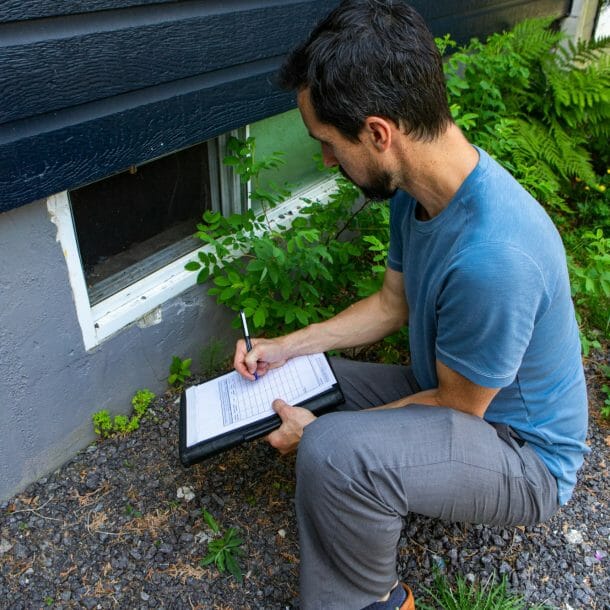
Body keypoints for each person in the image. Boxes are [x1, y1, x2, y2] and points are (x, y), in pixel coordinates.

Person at [233, 1, 589, 609]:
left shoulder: (494, 256)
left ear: (377, 133)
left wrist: (326, 434)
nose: (325, 160)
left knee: (332, 451)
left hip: (522, 456)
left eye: (327, 143)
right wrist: (282, 348)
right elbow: (390, 304)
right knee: (303, 377)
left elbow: (460, 407)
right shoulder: (415, 191)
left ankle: (372, 602)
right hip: (457, 398)